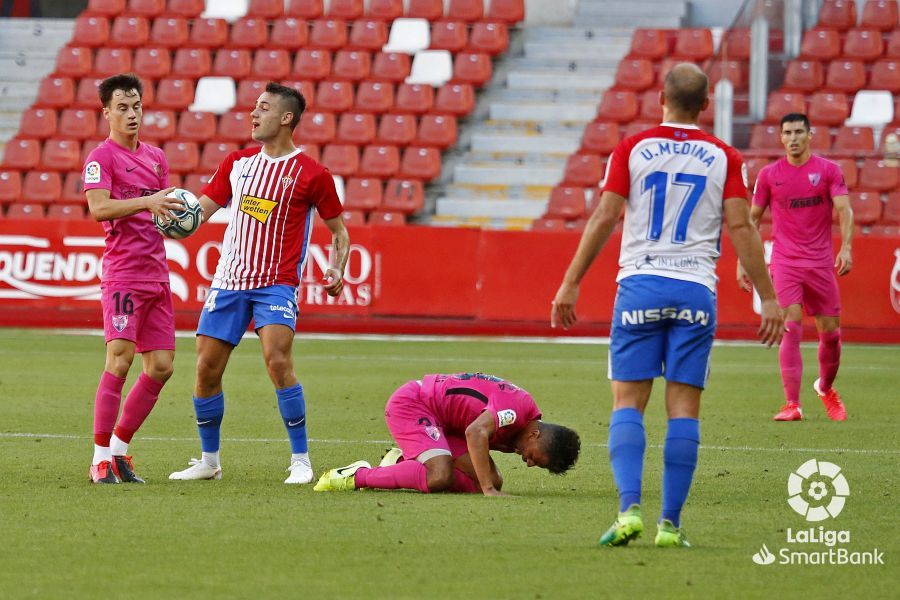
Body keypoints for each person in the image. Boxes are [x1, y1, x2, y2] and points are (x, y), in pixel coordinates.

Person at [551, 64, 784, 547]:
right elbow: (742, 228)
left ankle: (629, 510)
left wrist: (570, 282)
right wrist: (769, 297)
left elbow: (605, 215)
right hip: (695, 290)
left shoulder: (632, 149)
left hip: (641, 285)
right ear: (705, 106)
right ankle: (671, 526)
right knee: (684, 410)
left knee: (628, 403)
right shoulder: (725, 156)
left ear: (661, 98)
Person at [169, 82, 349, 484]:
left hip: (275, 284)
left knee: (278, 363)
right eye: (254, 107)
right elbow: (199, 213)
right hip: (228, 281)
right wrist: (171, 219)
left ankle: (300, 460)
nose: (253, 114)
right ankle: (209, 461)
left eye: (263, 108)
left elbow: (339, 232)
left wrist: (337, 268)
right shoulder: (237, 163)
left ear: (286, 118)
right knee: (205, 370)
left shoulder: (313, 174)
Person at [83, 73, 185, 484]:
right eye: (122, 107)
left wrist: (178, 215)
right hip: (123, 274)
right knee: (120, 361)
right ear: (106, 112)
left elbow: (163, 214)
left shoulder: (157, 158)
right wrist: (148, 201)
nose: (131, 114)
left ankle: (121, 451)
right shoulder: (100, 158)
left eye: (137, 106)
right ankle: (99, 458)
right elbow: (99, 209)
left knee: (161, 366)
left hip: (156, 275)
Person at [738, 113, 852, 422]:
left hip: (820, 263)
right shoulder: (769, 175)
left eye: (799, 131)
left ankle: (825, 388)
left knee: (830, 335)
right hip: (786, 261)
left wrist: (847, 246)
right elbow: (751, 220)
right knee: (791, 324)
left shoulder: (828, 171)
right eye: (787, 132)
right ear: (780, 137)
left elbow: (844, 209)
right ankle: (792, 404)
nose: (793, 138)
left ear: (809, 134)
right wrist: (742, 260)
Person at [313, 373, 581, 495]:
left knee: (493, 480)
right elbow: (475, 432)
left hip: (445, 426)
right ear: (535, 435)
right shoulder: (515, 411)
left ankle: (398, 464)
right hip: (415, 403)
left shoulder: (522, 429)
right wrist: (487, 490)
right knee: (440, 476)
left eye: (536, 465)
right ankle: (352, 477)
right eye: (536, 458)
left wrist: (489, 484)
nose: (529, 462)